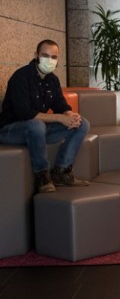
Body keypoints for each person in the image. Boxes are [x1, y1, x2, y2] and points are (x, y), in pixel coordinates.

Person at [0, 39, 90, 193]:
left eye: (54, 57)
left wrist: (69, 114)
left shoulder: (52, 79)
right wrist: (59, 118)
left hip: (37, 132)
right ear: (36, 55)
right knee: (36, 125)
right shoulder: (21, 77)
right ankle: (42, 176)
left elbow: (60, 104)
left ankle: (61, 172)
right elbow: (25, 114)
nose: (50, 60)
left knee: (82, 124)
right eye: (45, 55)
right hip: (10, 130)